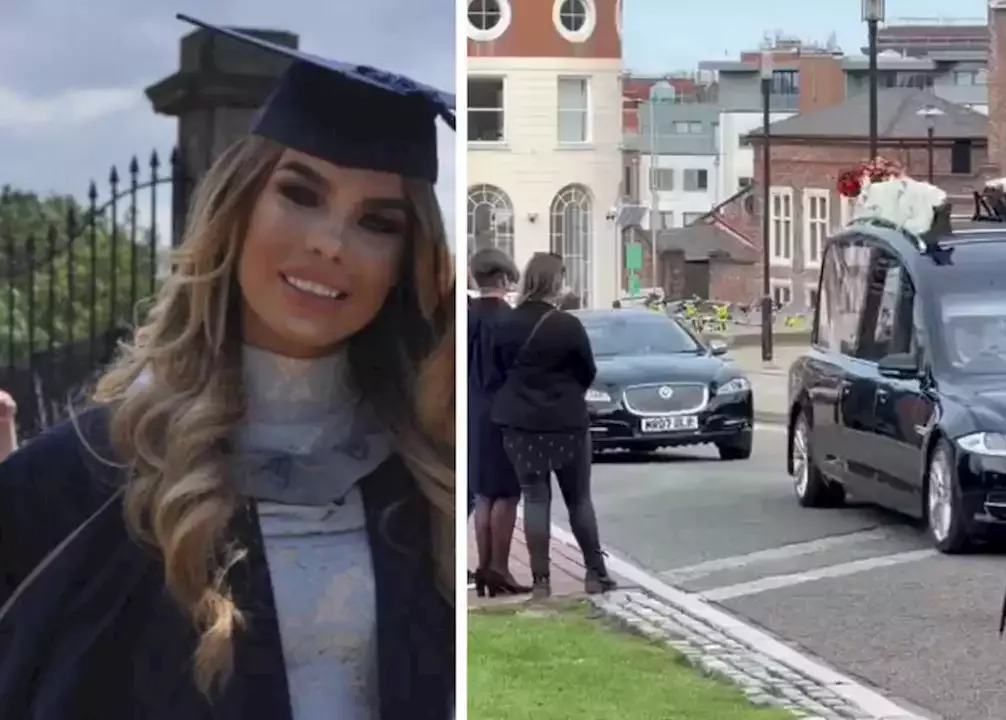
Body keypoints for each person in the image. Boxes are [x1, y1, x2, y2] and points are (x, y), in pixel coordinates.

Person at [0, 15, 456, 720]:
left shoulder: (430, 479)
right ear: (238, 208)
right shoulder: (77, 483)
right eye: (300, 194)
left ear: (405, 261)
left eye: (378, 222)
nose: (330, 243)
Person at [490, 252, 615, 599]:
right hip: (567, 424)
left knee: (535, 498)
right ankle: (594, 572)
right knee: (578, 500)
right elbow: (587, 370)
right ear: (555, 282)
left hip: (519, 425)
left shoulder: (506, 324)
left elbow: (498, 372)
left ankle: (541, 580)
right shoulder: (567, 325)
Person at [468, 247, 530, 597]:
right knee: (507, 494)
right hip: (505, 414)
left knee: (483, 495)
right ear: (505, 280)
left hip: (473, 412)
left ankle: (484, 569)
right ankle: (500, 569)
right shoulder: (511, 321)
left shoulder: (466, 317)